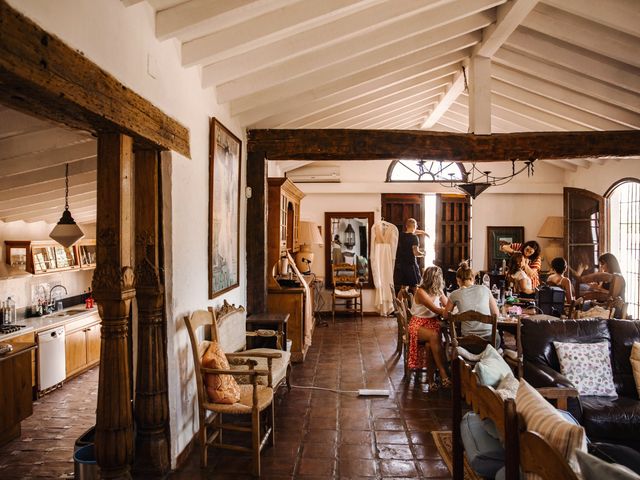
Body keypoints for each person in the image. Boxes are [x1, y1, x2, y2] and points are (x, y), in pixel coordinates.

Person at [408, 266, 451, 391]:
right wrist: (446, 310)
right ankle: (443, 374)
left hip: (432, 324)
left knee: (429, 345)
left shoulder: (438, 290)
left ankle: (431, 380)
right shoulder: (421, 292)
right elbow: (436, 309)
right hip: (418, 324)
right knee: (434, 336)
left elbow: (447, 305)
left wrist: (451, 305)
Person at [443, 262, 500, 344]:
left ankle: (468, 355)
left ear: (458, 280)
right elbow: (496, 314)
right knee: (499, 340)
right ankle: (494, 354)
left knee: (459, 331)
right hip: (489, 341)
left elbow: (445, 315)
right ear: (473, 278)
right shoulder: (485, 289)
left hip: (467, 342)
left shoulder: (454, 294)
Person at [394, 218, 429, 294]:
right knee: (415, 287)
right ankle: (415, 305)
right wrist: (422, 254)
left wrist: (423, 232)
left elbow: (411, 232)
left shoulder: (401, 235)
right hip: (411, 265)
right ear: (415, 226)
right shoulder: (414, 238)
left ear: (406, 226)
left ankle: (399, 304)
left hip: (402, 265)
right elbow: (415, 253)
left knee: (403, 288)